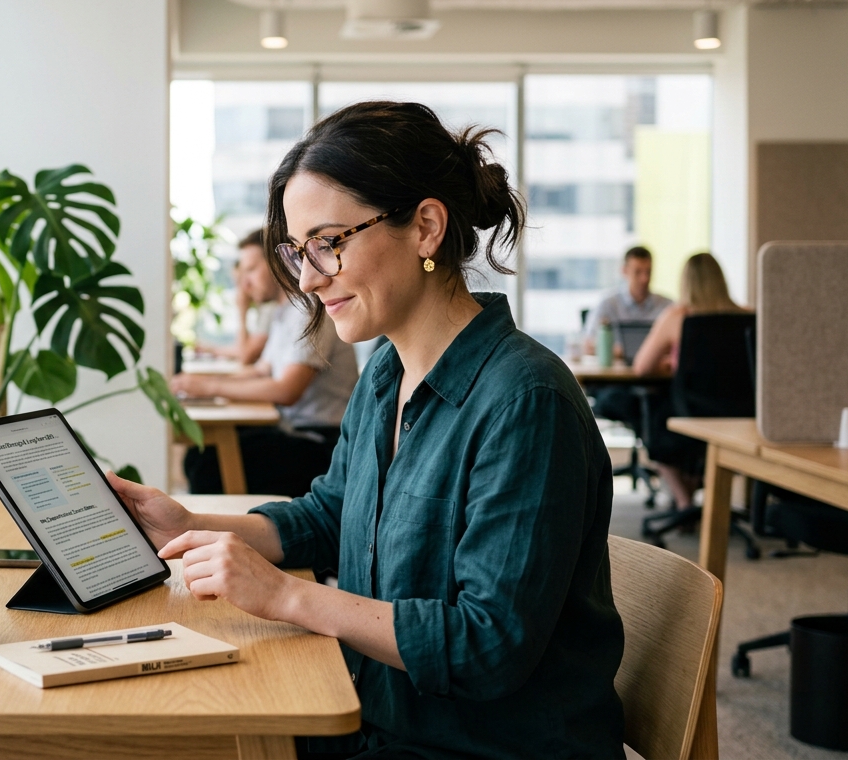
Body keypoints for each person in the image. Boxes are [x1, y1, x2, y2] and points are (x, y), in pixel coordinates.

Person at [110, 102, 624, 759]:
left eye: (329, 242)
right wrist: (192, 527)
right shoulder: (387, 372)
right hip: (377, 715)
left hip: (477, 747)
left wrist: (287, 596)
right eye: (299, 251)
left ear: (426, 229)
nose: (307, 279)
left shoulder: (526, 401)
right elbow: (330, 515)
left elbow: (486, 645)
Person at [171, 232, 359, 498]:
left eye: (251, 270)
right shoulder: (285, 311)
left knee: (205, 464)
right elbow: (261, 370)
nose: (244, 284)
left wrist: (210, 386)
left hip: (322, 442)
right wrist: (202, 388)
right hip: (292, 429)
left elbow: (286, 391)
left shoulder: (310, 310)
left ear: (276, 263)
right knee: (200, 454)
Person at [632, 252, 746, 511]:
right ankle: (691, 502)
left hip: (691, 413)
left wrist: (670, 362)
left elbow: (642, 367)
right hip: (738, 416)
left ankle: (684, 502)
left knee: (652, 416)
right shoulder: (746, 316)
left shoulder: (677, 317)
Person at [193, 229, 274, 366]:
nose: (244, 287)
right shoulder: (270, 307)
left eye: (251, 270)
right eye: (238, 282)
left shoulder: (272, 308)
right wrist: (214, 350)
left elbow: (245, 356)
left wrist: (242, 310)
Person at [583, 245, 672, 356]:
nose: (644, 279)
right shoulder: (607, 304)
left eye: (648, 272)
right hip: (615, 372)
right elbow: (589, 345)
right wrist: (622, 352)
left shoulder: (668, 307)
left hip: (656, 372)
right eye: (638, 272)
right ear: (624, 271)